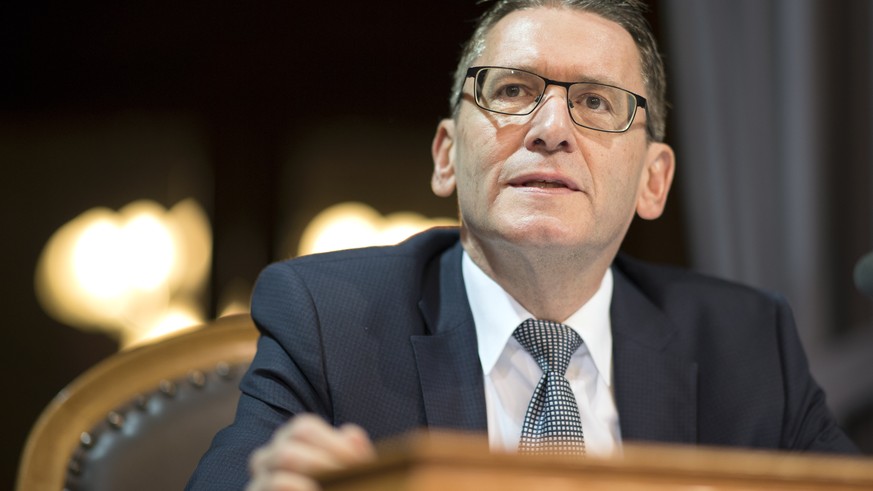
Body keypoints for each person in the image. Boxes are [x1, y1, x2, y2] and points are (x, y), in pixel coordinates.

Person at [187, 1, 858, 489]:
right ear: (447, 157)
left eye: (596, 103)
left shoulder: (745, 341)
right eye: (512, 90)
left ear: (652, 181)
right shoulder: (327, 318)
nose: (549, 128)